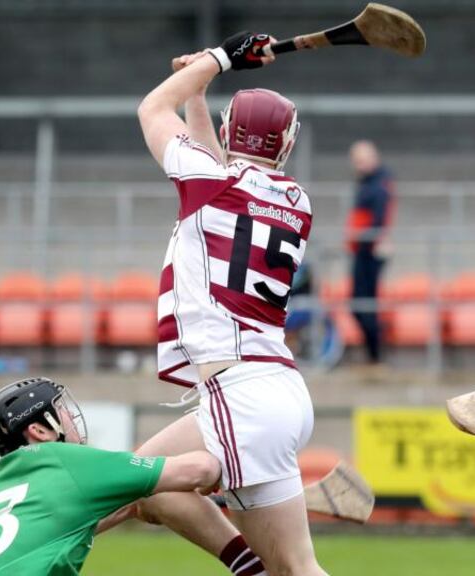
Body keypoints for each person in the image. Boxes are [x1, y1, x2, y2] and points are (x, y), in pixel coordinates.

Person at [124, 31, 325, 575]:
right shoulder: (296, 203)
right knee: (295, 570)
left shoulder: (210, 183)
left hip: (242, 394)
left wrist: (219, 59)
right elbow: (218, 166)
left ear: (229, 131)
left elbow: (150, 107)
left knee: (119, 489)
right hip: (275, 388)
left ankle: (15, 549)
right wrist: (200, 93)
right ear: (286, 145)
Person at [0, 377, 221, 575]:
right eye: (61, 410)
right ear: (39, 430)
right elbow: (203, 469)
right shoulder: (64, 459)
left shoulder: (0, 480)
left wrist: (131, 506)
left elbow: (67, 529)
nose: (71, 415)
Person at [346, 140, 395, 366]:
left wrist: (365, 242)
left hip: (368, 252)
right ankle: (373, 355)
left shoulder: (379, 185)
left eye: (362, 160)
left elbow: (377, 219)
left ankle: (375, 356)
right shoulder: (368, 183)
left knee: (363, 303)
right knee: (359, 304)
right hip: (361, 249)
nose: (358, 165)